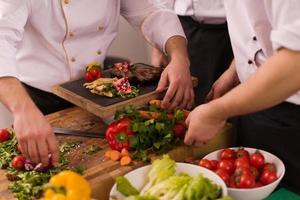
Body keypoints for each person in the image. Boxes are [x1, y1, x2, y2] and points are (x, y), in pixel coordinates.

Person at [0, 0, 194, 166]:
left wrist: (179, 57)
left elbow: (151, 11)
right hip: (37, 100)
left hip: (92, 92)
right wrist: (23, 110)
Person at [184, 0, 300, 192]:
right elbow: (259, 23)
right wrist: (237, 68)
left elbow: (294, 64)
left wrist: (217, 111)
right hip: (260, 104)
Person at [152, 0, 233, 105]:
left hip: (233, 33)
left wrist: (233, 71)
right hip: (182, 31)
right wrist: (159, 46)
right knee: (187, 102)